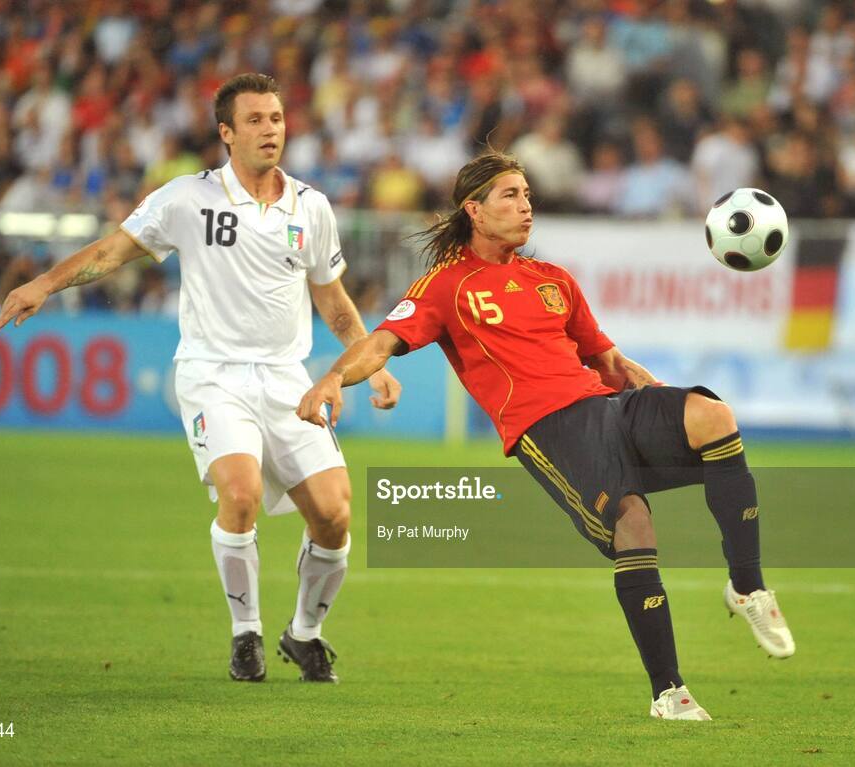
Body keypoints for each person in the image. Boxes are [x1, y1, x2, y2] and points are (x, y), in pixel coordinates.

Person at [296, 152, 794, 718]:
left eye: (527, 193)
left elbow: (604, 356)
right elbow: (382, 343)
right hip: (548, 430)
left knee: (713, 415)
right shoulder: (446, 287)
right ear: (474, 210)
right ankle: (669, 693)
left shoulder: (553, 281)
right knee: (633, 522)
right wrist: (336, 376)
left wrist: (636, 377)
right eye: (510, 195)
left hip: (608, 405)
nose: (525, 204)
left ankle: (748, 587)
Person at [0, 73, 401, 684]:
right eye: (257, 120)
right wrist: (43, 285)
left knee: (337, 515)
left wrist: (370, 364)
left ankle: (305, 633)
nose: (271, 129)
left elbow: (334, 302)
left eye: (277, 117)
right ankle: (246, 635)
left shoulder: (310, 207)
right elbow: (111, 251)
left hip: (287, 378)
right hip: (213, 375)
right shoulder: (187, 198)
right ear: (226, 133)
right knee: (239, 495)